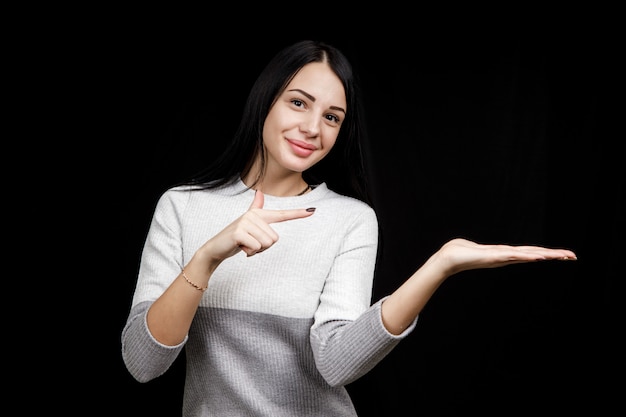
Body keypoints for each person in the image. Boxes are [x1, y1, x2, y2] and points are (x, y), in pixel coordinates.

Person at [121, 40, 577, 416]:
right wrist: (207, 256)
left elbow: (336, 363)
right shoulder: (182, 207)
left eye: (332, 117)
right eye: (298, 103)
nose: (312, 128)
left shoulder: (349, 219)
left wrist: (441, 265)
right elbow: (143, 363)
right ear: (266, 101)